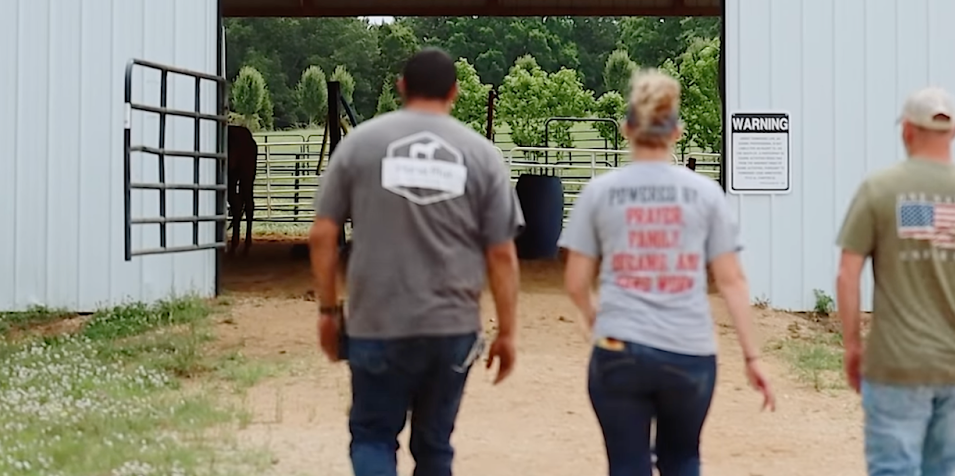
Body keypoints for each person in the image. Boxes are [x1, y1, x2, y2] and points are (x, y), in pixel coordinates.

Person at [309, 47, 524, 476]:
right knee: (434, 445)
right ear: (455, 92)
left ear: (401, 86)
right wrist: (508, 332)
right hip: (451, 327)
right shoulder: (482, 156)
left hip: (377, 323)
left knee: (373, 436)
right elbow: (501, 252)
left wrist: (329, 310)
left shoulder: (360, 145)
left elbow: (322, 233)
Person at [559, 68, 776, 476]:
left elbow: (574, 282)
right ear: (676, 132)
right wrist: (752, 356)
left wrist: (595, 319)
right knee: (683, 459)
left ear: (626, 129)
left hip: (619, 347)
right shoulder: (705, 194)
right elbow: (731, 280)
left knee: (627, 464)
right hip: (689, 352)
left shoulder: (599, 192)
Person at [834, 87, 955, 476]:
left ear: (906, 131)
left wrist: (852, 346)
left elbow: (847, 274)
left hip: (896, 365)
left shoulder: (880, 190)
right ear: (954, 132)